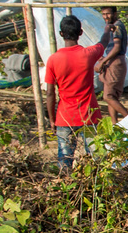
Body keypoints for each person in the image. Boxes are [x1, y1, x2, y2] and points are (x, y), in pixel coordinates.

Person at [44, 15, 104, 171]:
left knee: (65, 160)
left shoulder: (53, 60)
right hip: (89, 116)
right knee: (96, 159)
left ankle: (66, 185)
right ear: (81, 33)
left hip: (64, 118)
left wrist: (52, 119)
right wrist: (107, 29)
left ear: (61, 33)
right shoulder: (88, 54)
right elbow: (102, 43)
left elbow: (50, 94)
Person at [94, 6, 128, 121]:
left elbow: (117, 48)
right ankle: (114, 124)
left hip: (115, 62)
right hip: (113, 61)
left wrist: (102, 62)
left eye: (108, 14)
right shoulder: (112, 27)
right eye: (103, 14)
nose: (106, 17)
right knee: (112, 96)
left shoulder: (117, 27)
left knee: (108, 96)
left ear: (115, 14)